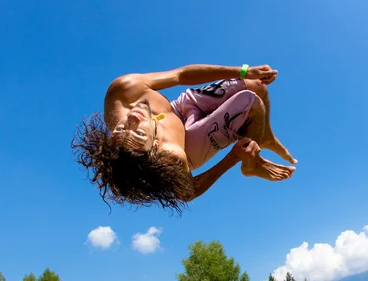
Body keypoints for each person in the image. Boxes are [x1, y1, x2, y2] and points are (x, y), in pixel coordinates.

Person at [72, 63, 297, 214]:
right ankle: (251, 164)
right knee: (252, 103)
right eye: (140, 133)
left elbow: (181, 75)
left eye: (121, 130)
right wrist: (232, 158)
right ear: (154, 147)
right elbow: (188, 193)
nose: (133, 119)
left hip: (178, 109)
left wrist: (242, 71)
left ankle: (264, 137)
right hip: (191, 144)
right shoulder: (171, 154)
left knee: (257, 85)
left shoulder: (123, 92)